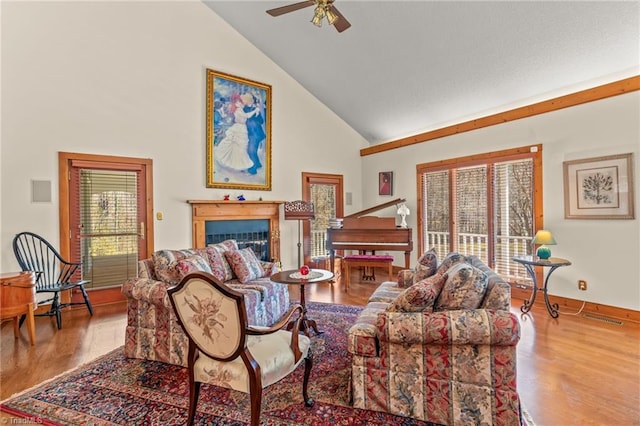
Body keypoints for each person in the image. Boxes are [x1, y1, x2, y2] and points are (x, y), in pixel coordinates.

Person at [215, 94, 260, 172]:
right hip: (239, 128)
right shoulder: (238, 110)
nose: (240, 103)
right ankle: (239, 164)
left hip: (241, 128)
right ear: (235, 103)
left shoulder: (239, 109)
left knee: (241, 147)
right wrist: (255, 111)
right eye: (238, 102)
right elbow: (247, 116)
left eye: (240, 102)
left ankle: (240, 163)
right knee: (239, 147)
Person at [241, 93, 266, 175]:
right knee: (251, 150)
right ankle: (258, 164)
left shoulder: (255, 109)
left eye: (244, 100)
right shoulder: (244, 108)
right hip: (249, 132)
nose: (243, 101)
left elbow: (261, 121)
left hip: (256, 133)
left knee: (251, 150)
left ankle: (253, 169)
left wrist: (257, 115)